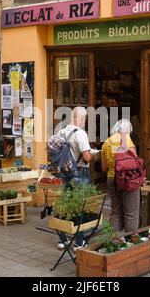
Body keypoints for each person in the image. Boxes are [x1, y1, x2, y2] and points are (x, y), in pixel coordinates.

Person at [56, 107, 93, 250]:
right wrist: (93, 155)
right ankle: (79, 242)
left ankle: (62, 240)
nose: (84, 122)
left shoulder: (61, 132)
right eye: (84, 119)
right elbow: (87, 157)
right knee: (80, 206)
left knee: (65, 204)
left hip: (65, 172)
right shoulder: (80, 133)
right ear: (81, 118)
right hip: (79, 172)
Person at [101, 119, 140, 233]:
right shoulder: (126, 138)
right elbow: (135, 160)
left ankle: (114, 242)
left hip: (111, 178)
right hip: (127, 179)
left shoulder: (106, 143)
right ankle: (130, 244)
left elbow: (104, 168)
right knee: (131, 213)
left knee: (116, 212)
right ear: (127, 130)